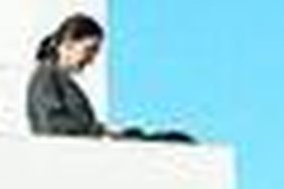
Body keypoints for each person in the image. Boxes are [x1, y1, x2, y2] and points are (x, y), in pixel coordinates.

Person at [27, 13, 196, 142]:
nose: (91, 59)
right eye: (89, 50)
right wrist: (101, 132)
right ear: (69, 44)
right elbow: (51, 125)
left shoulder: (59, 80)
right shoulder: (46, 77)